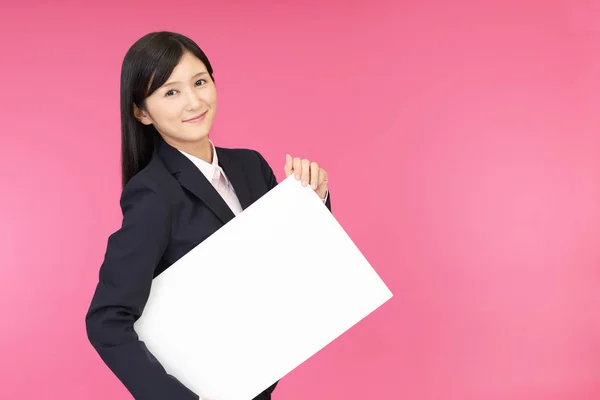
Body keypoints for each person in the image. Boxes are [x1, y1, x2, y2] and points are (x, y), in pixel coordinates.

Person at [84, 31, 332, 400]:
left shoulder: (250, 165)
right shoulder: (153, 193)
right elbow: (106, 320)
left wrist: (314, 203)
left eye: (200, 82)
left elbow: (289, 263)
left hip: (258, 379)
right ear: (141, 112)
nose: (194, 101)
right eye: (171, 92)